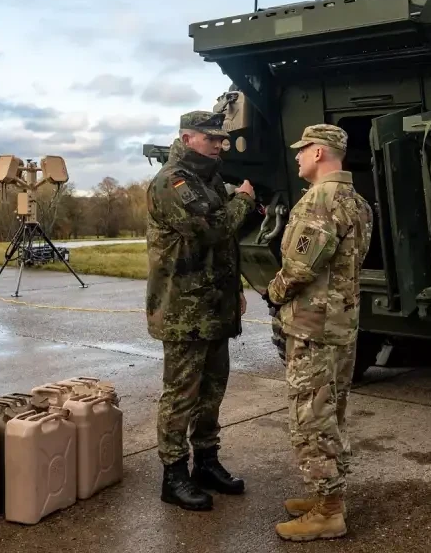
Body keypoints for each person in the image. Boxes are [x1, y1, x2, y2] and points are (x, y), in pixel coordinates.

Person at [264, 124, 373, 542]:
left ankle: (328, 511)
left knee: (311, 418)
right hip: (341, 324)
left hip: (314, 327)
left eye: (303, 149)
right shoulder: (357, 201)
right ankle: (328, 496)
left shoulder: (319, 202)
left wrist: (273, 293)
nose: (297, 156)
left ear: (320, 153)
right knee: (332, 412)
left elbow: (299, 267)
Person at [146, 110, 257, 511]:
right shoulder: (172, 182)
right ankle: (174, 474)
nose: (219, 145)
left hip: (215, 304)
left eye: (221, 139)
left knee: (212, 391)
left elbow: (225, 247)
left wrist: (236, 288)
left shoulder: (207, 179)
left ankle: (206, 462)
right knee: (181, 395)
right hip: (184, 309)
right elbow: (211, 229)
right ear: (187, 138)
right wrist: (244, 200)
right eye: (211, 139)